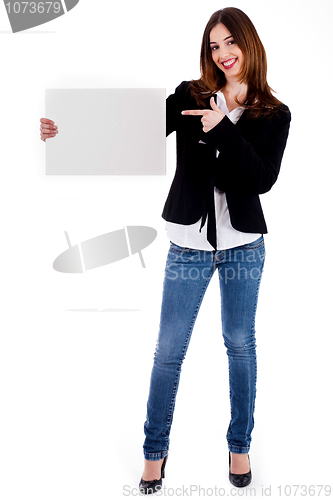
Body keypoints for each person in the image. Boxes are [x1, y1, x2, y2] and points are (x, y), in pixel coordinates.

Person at [40, 7, 291, 492]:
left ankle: (239, 446)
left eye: (229, 42)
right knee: (168, 351)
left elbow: (261, 179)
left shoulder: (273, 114)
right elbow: (134, 130)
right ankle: (154, 452)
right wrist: (65, 131)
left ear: (249, 43)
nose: (222, 54)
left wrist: (222, 127)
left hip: (244, 247)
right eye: (214, 46)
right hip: (188, 246)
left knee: (240, 345)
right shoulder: (191, 94)